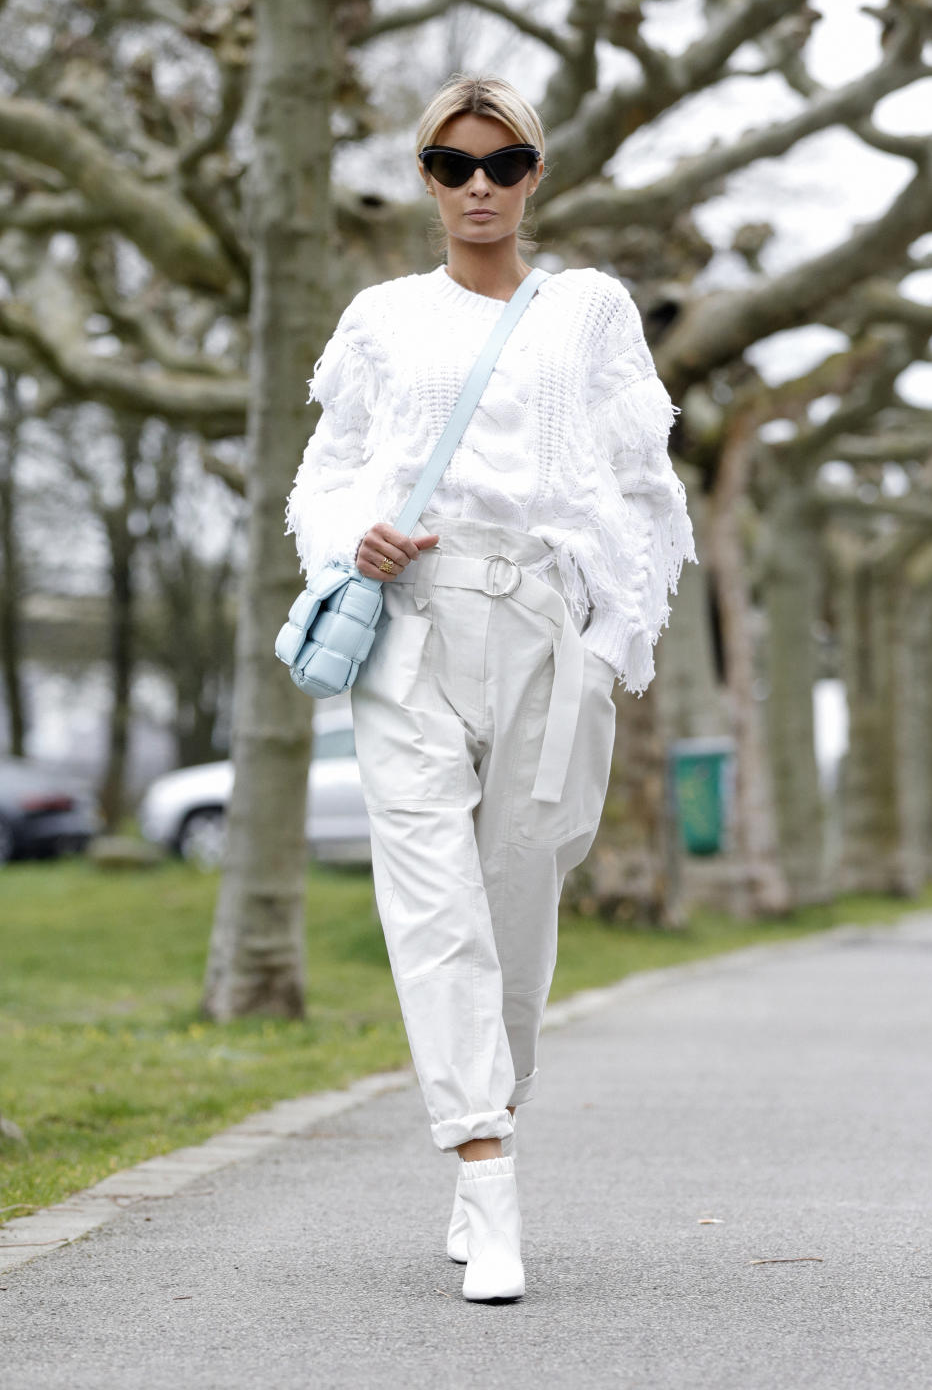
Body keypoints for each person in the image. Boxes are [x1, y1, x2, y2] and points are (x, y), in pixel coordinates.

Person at [285, 73, 696, 1302]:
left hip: (541, 630)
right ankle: (486, 1168)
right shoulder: (380, 319)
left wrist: (611, 631)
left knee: (518, 911)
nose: (479, 187)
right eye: (455, 165)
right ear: (424, 177)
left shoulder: (588, 313)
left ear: (534, 175)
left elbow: (640, 479)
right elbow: (328, 470)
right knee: (434, 904)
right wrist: (351, 537)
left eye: (503, 165)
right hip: (410, 627)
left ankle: (491, 1115)